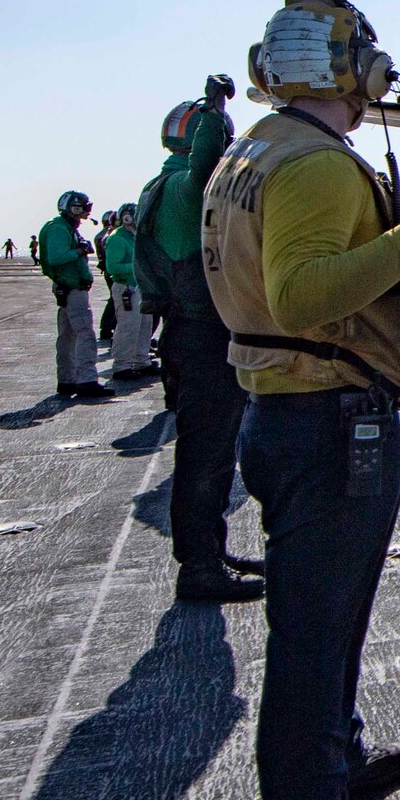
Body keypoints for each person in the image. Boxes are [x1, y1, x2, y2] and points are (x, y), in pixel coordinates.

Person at [203, 0, 400, 800]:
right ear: (349, 67)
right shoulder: (317, 163)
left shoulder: (254, 151)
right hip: (326, 419)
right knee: (317, 630)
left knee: (323, 621)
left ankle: (334, 763)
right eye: (367, 54)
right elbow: (306, 295)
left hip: (285, 410)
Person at [137, 78, 265, 603]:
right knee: (207, 455)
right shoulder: (186, 190)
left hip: (184, 335)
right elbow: (209, 159)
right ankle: (201, 568)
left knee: (204, 452)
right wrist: (215, 107)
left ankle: (209, 551)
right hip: (204, 336)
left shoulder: (155, 187)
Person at [38, 192, 113, 399]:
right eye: (81, 207)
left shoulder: (61, 227)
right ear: (73, 208)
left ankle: (67, 380)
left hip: (67, 287)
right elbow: (56, 257)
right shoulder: (59, 229)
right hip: (72, 288)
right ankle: (86, 380)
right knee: (84, 334)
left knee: (67, 336)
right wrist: (79, 251)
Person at [105, 204, 156, 380]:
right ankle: (121, 365)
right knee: (128, 327)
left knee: (144, 325)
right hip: (127, 287)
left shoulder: (135, 237)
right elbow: (113, 267)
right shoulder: (118, 238)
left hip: (139, 286)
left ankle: (141, 360)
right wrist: (138, 266)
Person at [95, 211, 118, 342]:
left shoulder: (101, 236)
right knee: (115, 299)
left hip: (107, 269)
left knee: (113, 298)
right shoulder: (111, 235)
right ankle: (109, 327)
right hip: (111, 270)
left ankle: (107, 327)